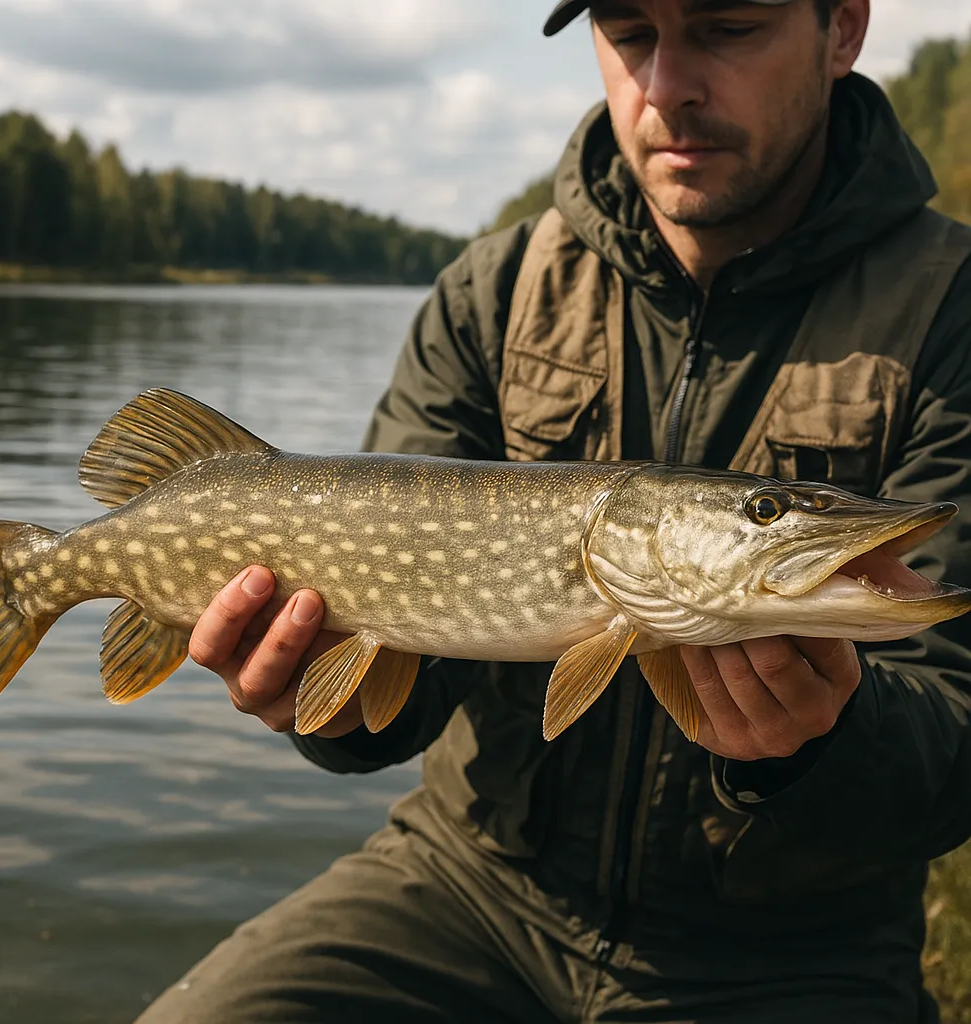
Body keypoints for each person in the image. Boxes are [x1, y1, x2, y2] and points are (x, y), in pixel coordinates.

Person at [137, 1, 971, 1021]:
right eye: (630, 34)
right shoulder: (492, 291)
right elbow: (393, 699)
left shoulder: (953, 312)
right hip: (471, 886)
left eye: (729, 26)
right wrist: (318, 695)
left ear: (840, 30)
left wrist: (825, 743)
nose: (667, 87)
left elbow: (954, 741)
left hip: (792, 953)